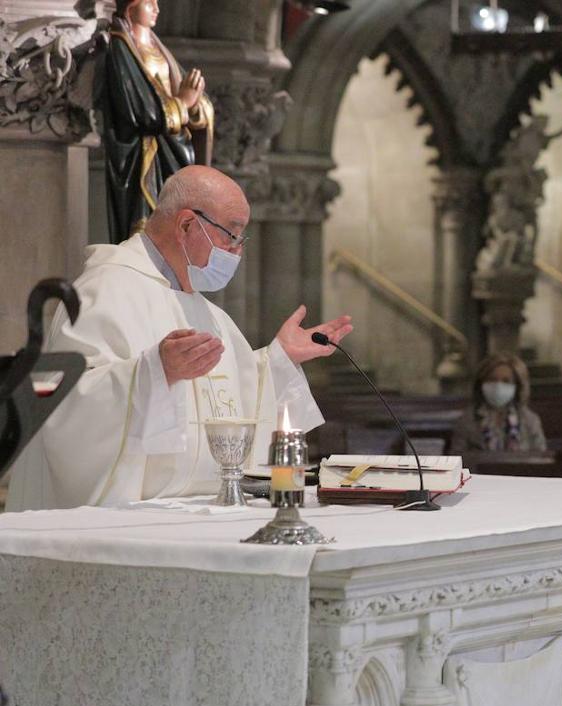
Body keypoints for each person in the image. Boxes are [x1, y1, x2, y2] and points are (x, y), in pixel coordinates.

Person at [7, 166, 352, 511]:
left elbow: (231, 399)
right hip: (128, 520)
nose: (237, 251)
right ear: (187, 224)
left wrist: (279, 360)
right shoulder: (105, 290)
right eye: (231, 236)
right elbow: (65, 407)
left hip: (203, 510)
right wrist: (153, 373)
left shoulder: (208, 313)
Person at [99, 0, 215, 243]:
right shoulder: (122, 47)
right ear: (131, 7)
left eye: (157, 2)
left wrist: (195, 105)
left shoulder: (159, 48)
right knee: (146, 227)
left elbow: (187, 93)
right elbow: (139, 109)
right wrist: (183, 103)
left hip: (171, 148)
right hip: (141, 155)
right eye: (148, 2)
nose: (157, 8)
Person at [450, 353, 547, 452]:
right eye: (492, 379)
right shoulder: (467, 420)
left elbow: (541, 458)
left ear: (517, 386)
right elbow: (457, 460)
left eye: (506, 381)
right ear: (481, 383)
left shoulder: (530, 420)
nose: (498, 386)